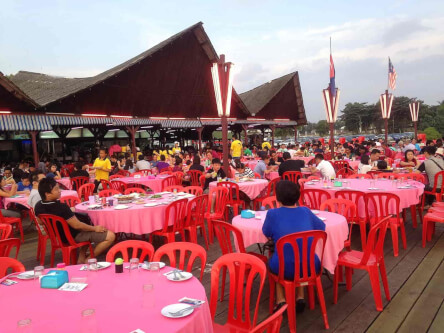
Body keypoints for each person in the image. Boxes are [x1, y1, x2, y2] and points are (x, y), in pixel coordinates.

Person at [263, 180, 325, 313]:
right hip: (311, 267)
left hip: (284, 268)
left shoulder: (272, 214)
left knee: (277, 259)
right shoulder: (306, 211)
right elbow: (321, 227)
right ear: (298, 197)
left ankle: (280, 300)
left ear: (278, 198)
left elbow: (267, 232)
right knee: (300, 252)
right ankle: (300, 296)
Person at [34, 177, 115, 264]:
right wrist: (95, 228)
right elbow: (77, 225)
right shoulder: (61, 207)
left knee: (84, 222)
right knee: (111, 236)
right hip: (72, 236)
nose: (60, 191)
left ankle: (81, 256)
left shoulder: (38, 206)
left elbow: (40, 222)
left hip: (58, 237)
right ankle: (89, 259)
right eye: (56, 189)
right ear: (47, 194)